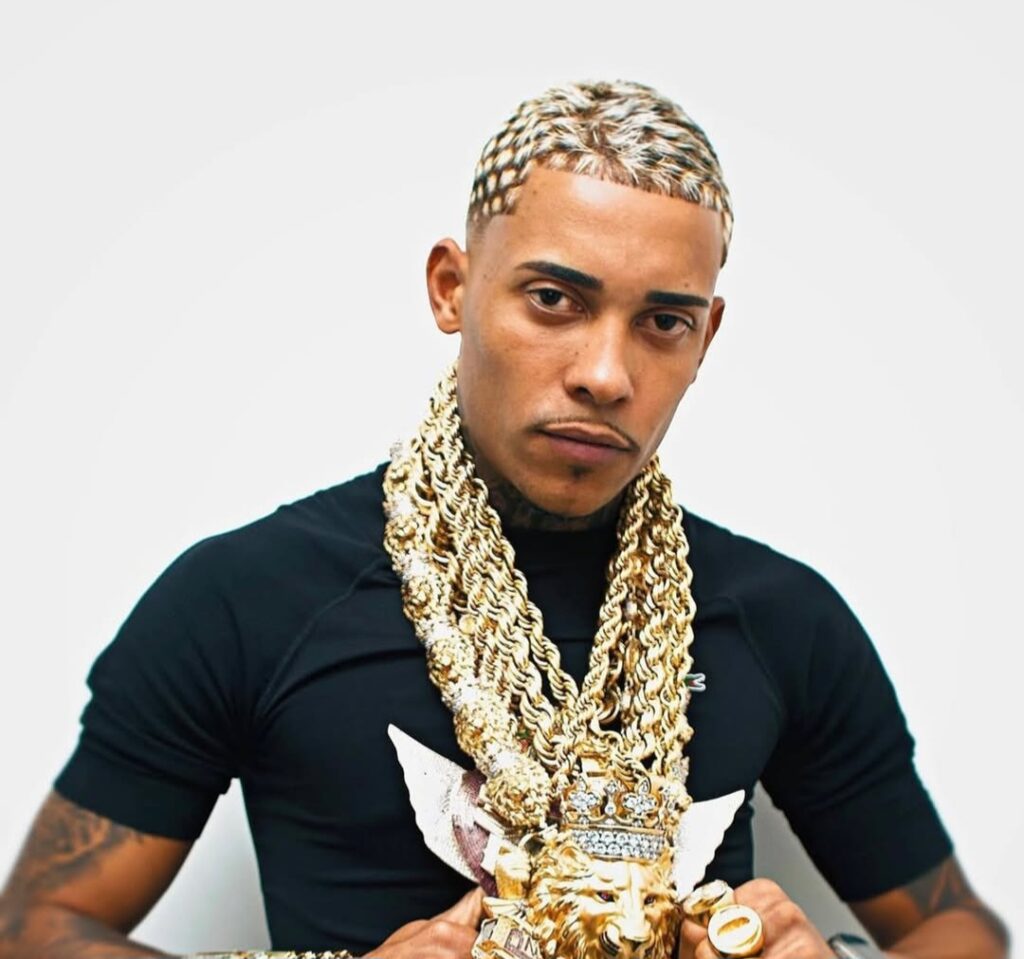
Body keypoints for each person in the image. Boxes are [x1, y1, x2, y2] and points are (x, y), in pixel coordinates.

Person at [0, 80, 1009, 959]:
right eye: (555, 299)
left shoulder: (780, 617)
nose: (605, 373)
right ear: (453, 288)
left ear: (705, 338)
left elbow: (959, 929)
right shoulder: (247, 598)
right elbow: (34, 928)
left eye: (662, 321)